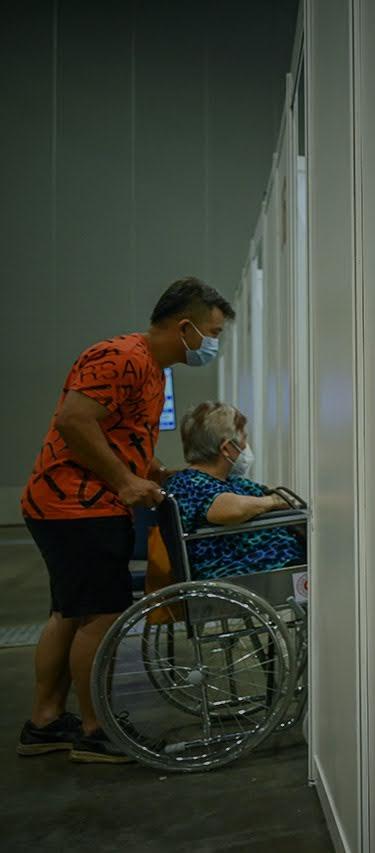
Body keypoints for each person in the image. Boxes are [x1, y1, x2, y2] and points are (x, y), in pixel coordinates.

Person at [18, 277, 233, 764]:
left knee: (70, 613)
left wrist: (153, 471)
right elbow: (75, 422)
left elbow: (121, 431)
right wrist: (123, 481)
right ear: (185, 327)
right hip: (76, 506)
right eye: (212, 332)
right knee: (101, 616)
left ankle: (45, 722)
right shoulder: (121, 357)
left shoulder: (154, 369)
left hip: (77, 505)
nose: (213, 343)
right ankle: (97, 729)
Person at [165, 401, 304, 578]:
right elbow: (229, 509)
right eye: (244, 438)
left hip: (283, 565)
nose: (246, 445)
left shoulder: (235, 482)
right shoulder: (185, 484)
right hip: (242, 572)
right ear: (227, 449)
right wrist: (270, 502)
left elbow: (282, 499)